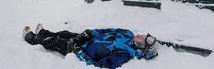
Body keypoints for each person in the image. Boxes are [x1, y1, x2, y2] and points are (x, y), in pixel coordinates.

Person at [22, 24, 158, 69]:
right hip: (88, 39)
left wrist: (79, 52)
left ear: (141, 46)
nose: (141, 34)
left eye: (143, 38)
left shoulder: (123, 54)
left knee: (53, 42)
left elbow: (98, 66)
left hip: (81, 50)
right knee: (65, 33)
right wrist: (90, 33)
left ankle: (31, 37)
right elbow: (107, 30)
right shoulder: (128, 33)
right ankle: (43, 32)